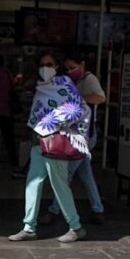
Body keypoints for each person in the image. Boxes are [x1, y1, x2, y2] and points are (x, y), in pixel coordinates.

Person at [7, 51, 90, 244]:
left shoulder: (63, 83)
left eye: (50, 64)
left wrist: (52, 123)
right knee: (33, 184)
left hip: (54, 142)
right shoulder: (42, 86)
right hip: (39, 143)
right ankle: (29, 227)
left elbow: (77, 108)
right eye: (42, 64)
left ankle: (76, 227)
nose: (46, 68)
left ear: (57, 66)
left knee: (59, 185)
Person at [40, 52, 107, 225]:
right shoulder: (77, 81)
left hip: (84, 135)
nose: (70, 71)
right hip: (82, 134)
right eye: (68, 69)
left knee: (66, 175)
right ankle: (98, 209)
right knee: (86, 175)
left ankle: (53, 211)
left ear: (82, 64)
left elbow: (101, 97)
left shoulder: (89, 80)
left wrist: (77, 98)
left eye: (73, 67)